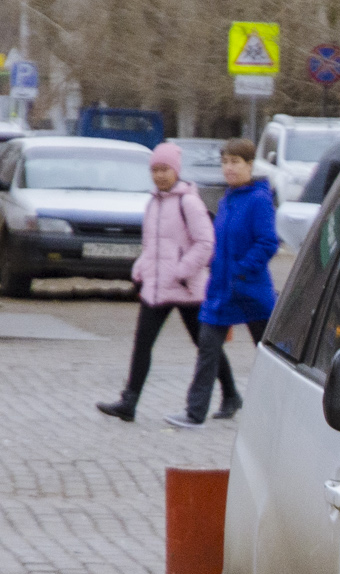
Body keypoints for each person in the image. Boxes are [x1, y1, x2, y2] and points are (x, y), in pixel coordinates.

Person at [96, 142, 213, 422]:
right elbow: (150, 247)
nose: (160, 175)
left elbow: (206, 243)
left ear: (176, 171)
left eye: (165, 170)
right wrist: (140, 269)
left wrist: (183, 270)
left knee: (205, 345)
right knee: (142, 343)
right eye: (155, 170)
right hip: (156, 289)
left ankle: (231, 392)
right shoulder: (152, 203)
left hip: (186, 288)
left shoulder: (190, 202)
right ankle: (129, 402)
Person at [165, 137, 276, 429]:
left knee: (270, 357)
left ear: (250, 165)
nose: (229, 168)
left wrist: (242, 269)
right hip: (221, 290)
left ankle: (278, 414)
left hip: (251, 291)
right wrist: (213, 266)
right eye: (225, 162)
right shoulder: (227, 199)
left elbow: (267, 242)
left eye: (235, 162)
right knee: (207, 348)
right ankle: (195, 412)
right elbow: (218, 241)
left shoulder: (259, 199)